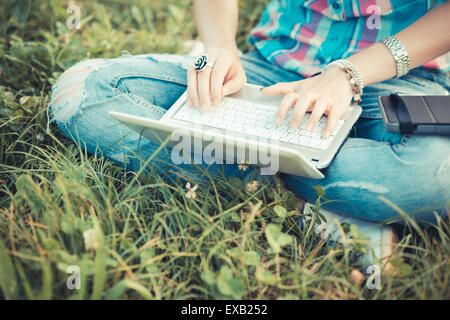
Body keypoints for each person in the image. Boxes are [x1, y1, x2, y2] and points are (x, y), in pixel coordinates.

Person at [49, 0, 450, 264]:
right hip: (270, 68)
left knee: (429, 177)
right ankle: (317, 209)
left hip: (399, 80)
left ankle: (248, 170)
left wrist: (348, 74)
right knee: (83, 93)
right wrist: (219, 48)